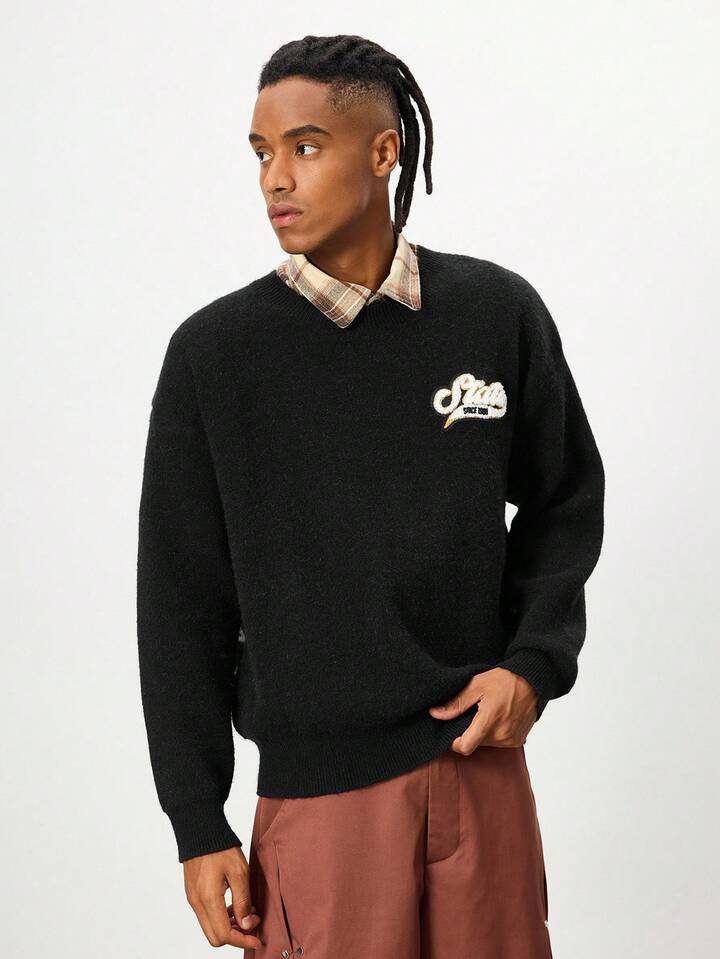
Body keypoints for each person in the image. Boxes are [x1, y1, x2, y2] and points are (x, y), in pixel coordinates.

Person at [136, 33, 605, 958]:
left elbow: (565, 497)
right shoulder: (215, 357)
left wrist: (533, 662)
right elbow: (181, 601)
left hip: (482, 777)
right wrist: (196, 820)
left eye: (305, 146)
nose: (276, 178)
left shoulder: (495, 314)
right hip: (322, 804)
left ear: (384, 152)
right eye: (262, 153)